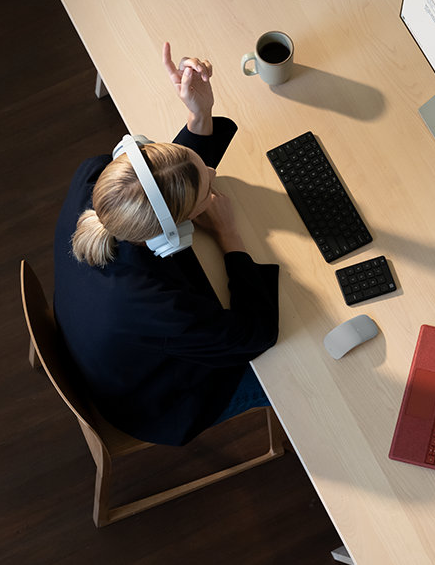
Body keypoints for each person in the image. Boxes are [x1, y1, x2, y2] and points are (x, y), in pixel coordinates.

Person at [52, 42, 279, 446]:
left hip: (100, 346)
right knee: (294, 371)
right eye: (206, 189)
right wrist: (230, 237)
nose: (211, 170)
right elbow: (254, 334)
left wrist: (199, 115)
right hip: (154, 403)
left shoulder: (96, 178)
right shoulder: (154, 305)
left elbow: (162, 183)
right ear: (172, 235)